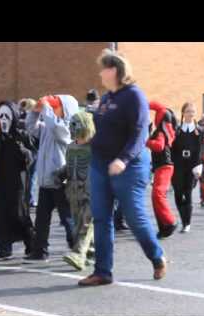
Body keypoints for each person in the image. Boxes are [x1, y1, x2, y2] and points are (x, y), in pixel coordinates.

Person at [78, 49, 166, 287]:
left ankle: (156, 257)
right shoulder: (107, 98)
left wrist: (123, 159)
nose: (100, 72)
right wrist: (88, 141)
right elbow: (103, 132)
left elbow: (140, 133)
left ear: (114, 70)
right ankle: (103, 272)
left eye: (103, 68)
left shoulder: (134, 96)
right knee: (101, 218)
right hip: (101, 164)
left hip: (129, 166)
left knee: (133, 216)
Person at [25, 95, 78, 262]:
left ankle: (78, 249)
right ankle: (40, 251)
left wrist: (46, 108)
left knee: (67, 217)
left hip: (60, 180)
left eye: (57, 106)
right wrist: (34, 113)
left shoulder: (67, 127)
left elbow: (57, 130)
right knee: (41, 218)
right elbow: (31, 128)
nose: (53, 109)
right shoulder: (49, 125)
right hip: (46, 180)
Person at [0, 101, 35, 261]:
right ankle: (4, 248)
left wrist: (24, 152)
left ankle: (31, 243)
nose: (3, 119)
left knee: (19, 213)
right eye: (0, 116)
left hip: (18, 182)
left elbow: (31, 158)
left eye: (6, 116)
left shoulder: (22, 136)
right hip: (0, 181)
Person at [57, 111, 96, 271]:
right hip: (73, 192)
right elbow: (69, 165)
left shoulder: (95, 148)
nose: (72, 128)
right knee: (78, 225)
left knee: (85, 224)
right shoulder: (71, 147)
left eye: (76, 125)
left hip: (90, 193)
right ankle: (90, 254)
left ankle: (78, 254)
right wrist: (61, 173)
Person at [146, 101, 177, 239]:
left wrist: (145, 141)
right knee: (156, 195)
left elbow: (158, 146)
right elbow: (158, 106)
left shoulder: (161, 132)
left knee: (158, 194)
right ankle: (164, 227)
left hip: (164, 166)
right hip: (162, 166)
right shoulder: (164, 130)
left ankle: (170, 222)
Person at [171, 102, 204, 233]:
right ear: (183, 113)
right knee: (178, 195)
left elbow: (201, 150)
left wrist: (198, 166)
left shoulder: (199, 131)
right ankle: (183, 218)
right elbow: (172, 149)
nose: (190, 114)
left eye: (193, 111)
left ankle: (187, 223)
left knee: (188, 193)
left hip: (192, 165)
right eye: (188, 111)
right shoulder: (177, 130)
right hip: (178, 165)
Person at [19, 98, 39, 207]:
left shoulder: (19, 118)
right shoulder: (35, 119)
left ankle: (24, 197)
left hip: (23, 149)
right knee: (33, 175)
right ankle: (31, 198)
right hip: (34, 149)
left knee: (24, 174)